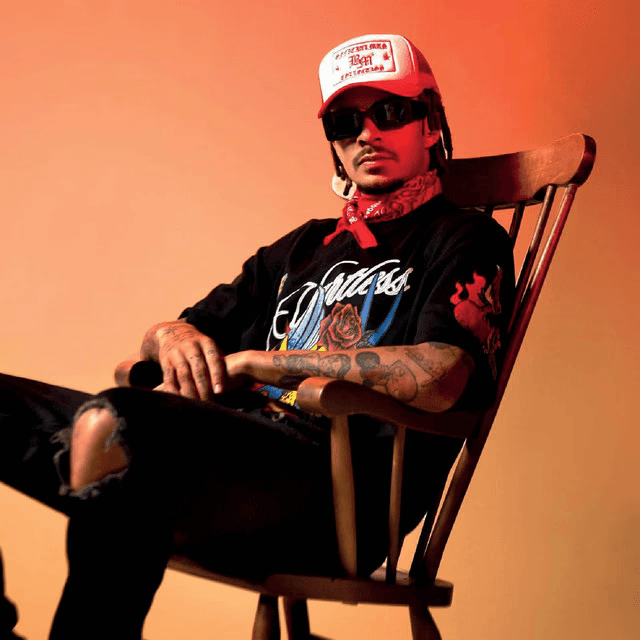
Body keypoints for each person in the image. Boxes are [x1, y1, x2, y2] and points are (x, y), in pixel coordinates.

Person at [0, 34, 515, 639]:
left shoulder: (464, 239)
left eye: (391, 111)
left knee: (118, 429)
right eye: (346, 123)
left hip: (334, 500)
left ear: (430, 123)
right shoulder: (304, 246)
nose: (368, 134)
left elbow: (441, 375)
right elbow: (179, 328)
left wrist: (261, 364)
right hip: (231, 460)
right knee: (106, 434)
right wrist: (171, 338)